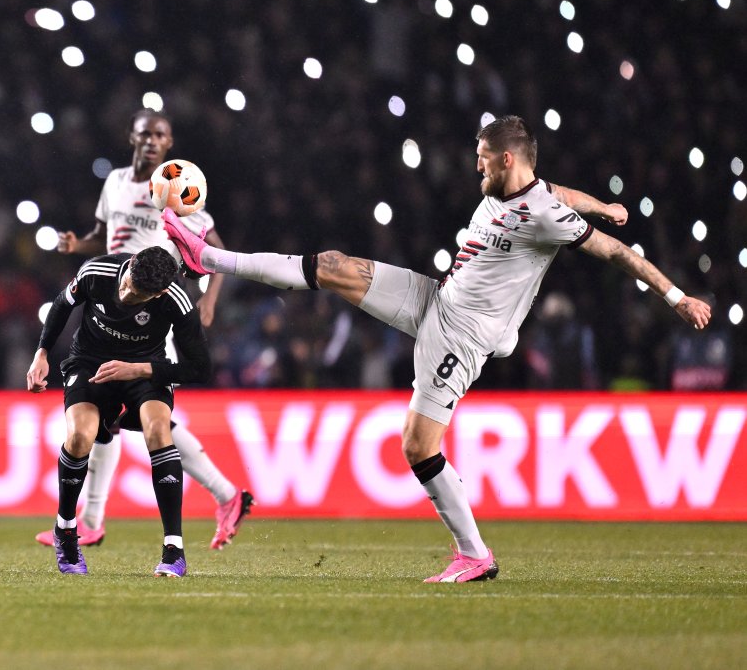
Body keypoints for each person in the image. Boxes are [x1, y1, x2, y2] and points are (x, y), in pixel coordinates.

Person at [162, 115, 712, 582]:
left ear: (504, 161)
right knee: (332, 266)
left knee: (417, 447)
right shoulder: (535, 192)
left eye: (481, 158)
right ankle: (207, 259)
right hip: (436, 299)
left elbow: (617, 254)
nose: (475, 166)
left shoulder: (541, 216)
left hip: (465, 333)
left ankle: (474, 555)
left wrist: (676, 295)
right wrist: (604, 204)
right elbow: (562, 193)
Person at [38, 108, 251, 551]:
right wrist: (79, 245)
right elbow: (106, 233)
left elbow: (217, 250)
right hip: (112, 292)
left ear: (169, 143)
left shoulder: (173, 189)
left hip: (154, 308)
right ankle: (93, 520)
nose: (152, 141)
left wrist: (208, 301)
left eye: (160, 135)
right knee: (106, 413)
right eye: (145, 134)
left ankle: (223, 493)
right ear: (131, 137)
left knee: (144, 416)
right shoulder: (115, 181)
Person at [26, 246, 211, 577]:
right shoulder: (96, 272)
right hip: (89, 364)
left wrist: (138, 370)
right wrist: (41, 353)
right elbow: (61, 305)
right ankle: (66, 531)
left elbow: (199, 368)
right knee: (80, 436)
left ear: (160, 293)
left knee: (158, 429)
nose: (127, 296)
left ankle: (174, 550)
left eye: (139, 296)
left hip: (143, 370)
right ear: (132, 264)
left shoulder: (176, 302)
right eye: (129, 285)